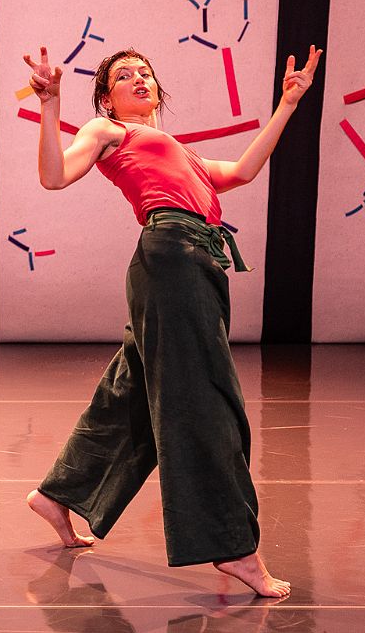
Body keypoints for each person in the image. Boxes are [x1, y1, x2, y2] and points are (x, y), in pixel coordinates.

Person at [22, 43, 320, 598]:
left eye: (145, 73)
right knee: (204, 402)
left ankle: (61, 494)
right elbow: (54, 176)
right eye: (124, 76)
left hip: (191, 260)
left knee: (132, 395)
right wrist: (50, 103)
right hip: (173, 258)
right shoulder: (109, 131)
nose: (139, 79)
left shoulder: (183, 153)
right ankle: (233, 548)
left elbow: (244, 170)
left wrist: (288, 104)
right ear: (106, 98)